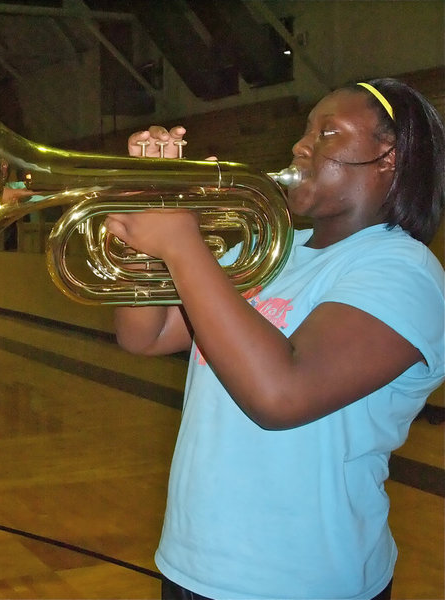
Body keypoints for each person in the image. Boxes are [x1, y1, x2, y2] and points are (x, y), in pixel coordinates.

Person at [105, 78, 445, 600]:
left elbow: (280, 396)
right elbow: (145, 335)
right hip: (193, 561)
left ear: (388, 157)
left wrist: (181, 243)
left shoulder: (402, 270)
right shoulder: (270, 249)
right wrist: (150, 201)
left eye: (327, 132)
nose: (300, 145)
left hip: (302, 580)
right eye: (306, 130)